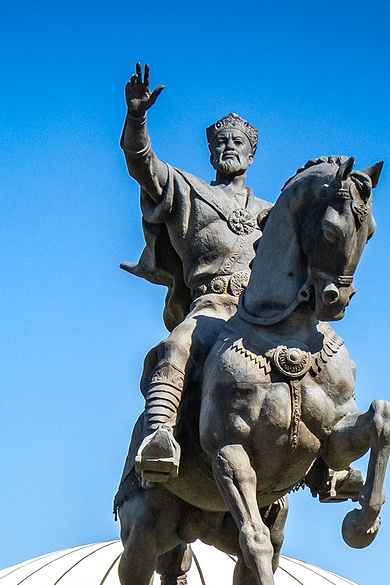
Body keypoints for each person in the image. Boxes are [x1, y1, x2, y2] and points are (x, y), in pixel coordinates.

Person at [118, 64, 273, 484]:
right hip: (209, 310)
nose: (228, 148)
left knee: (318, 357)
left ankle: (332, 460)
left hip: (261, 316)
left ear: (251, 153)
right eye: (220, 142)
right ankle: (160, 436)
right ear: (210, 152)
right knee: (176, 346)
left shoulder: (271, 214)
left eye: (237, 142)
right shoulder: (189, 191)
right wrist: (137, 118)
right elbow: (142, 164)